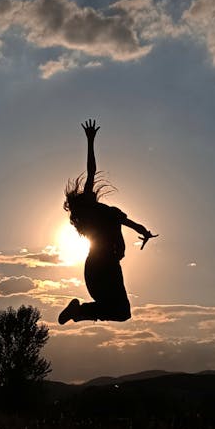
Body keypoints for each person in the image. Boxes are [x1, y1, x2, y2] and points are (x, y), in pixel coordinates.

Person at [58, 120, 158, 324]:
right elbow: (91, 171)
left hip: (98, 267)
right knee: (122, 312)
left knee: (122, 312)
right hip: (104, 266)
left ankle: (78, 312)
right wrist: (90, 141)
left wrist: (145, 232)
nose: (92, 189)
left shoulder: (102, 213)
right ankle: (79, 311)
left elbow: (131, 224)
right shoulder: (94, 212)